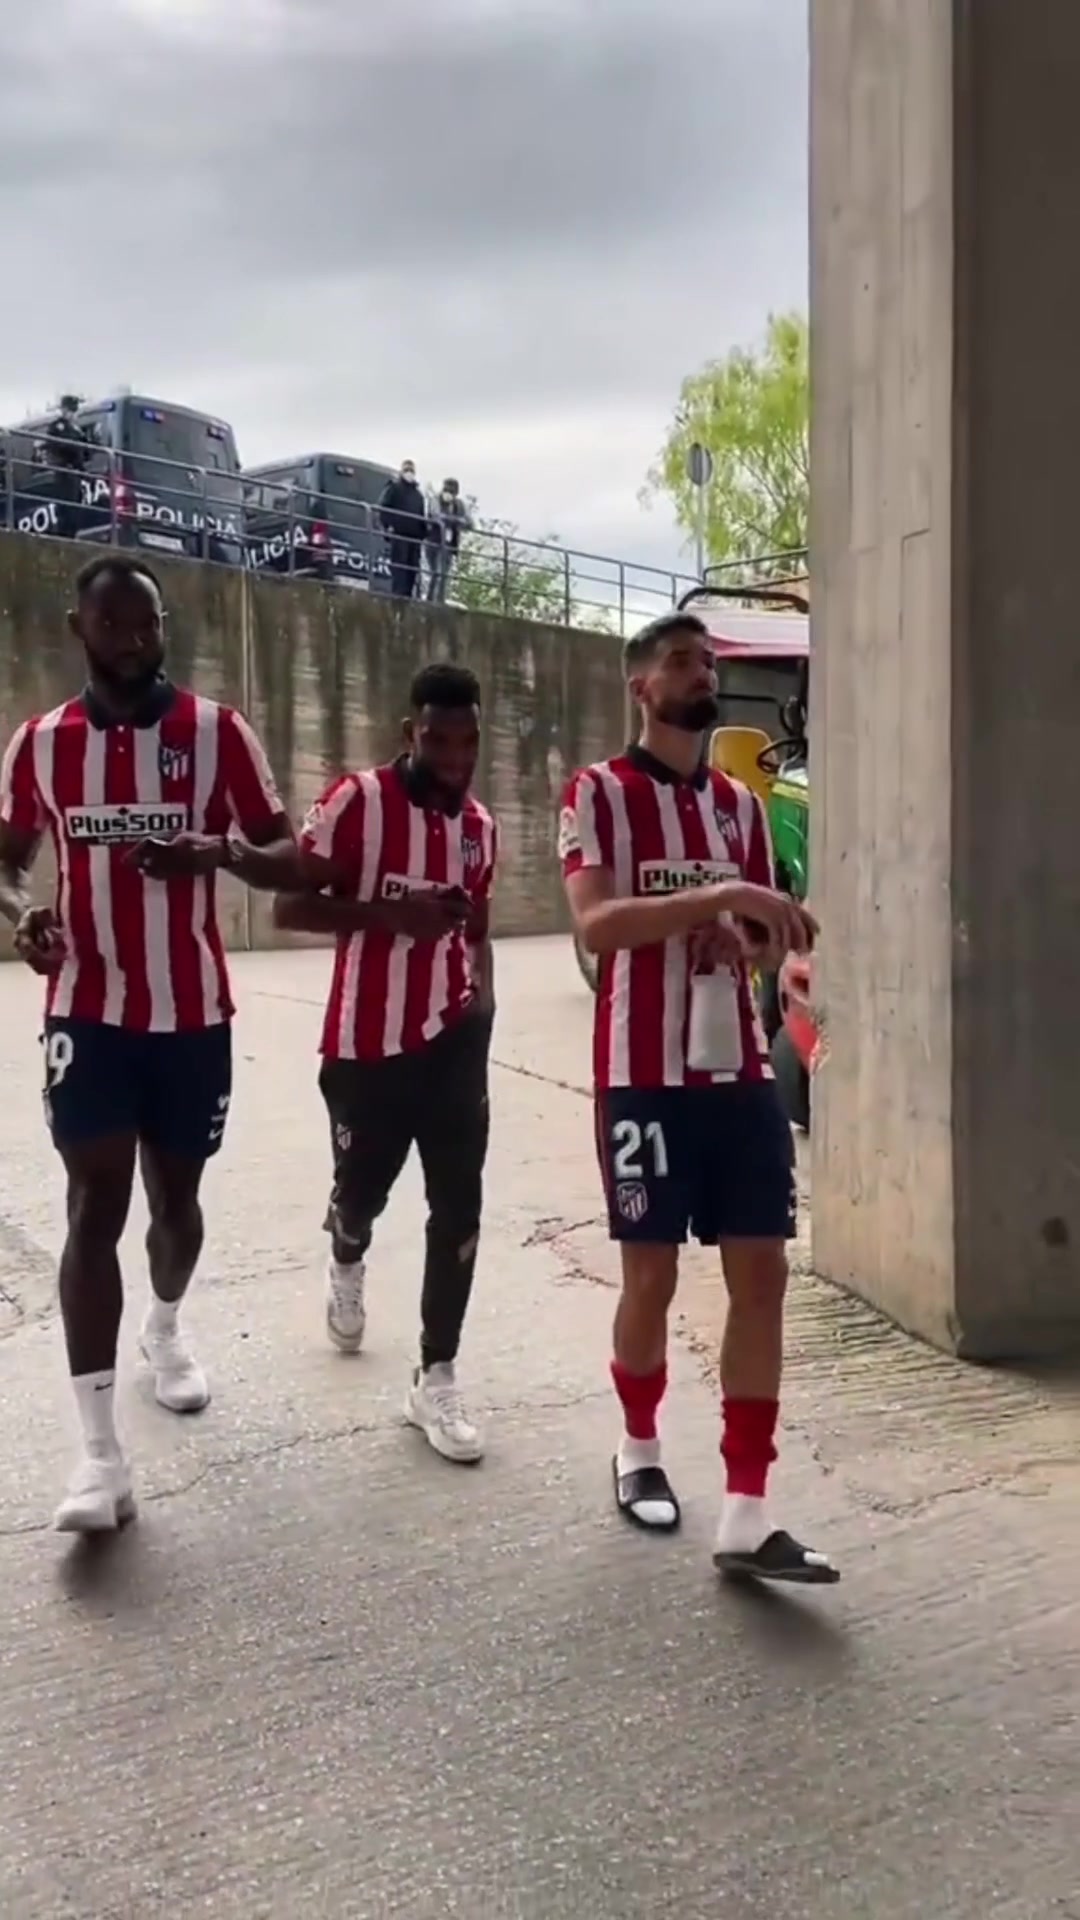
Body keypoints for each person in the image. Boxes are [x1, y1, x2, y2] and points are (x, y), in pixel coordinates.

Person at [0, 553, 304, 1535]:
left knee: (175, 1206)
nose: (135, 641)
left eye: (149, 624)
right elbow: (5, 865)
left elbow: (289, 854)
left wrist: (217, 850)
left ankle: (165, 1326)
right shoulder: (41, 744)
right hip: (86, 1010)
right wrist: (22, 918)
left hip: (191, 1015)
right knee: (94, 1206)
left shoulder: (216, 733)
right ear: (78, 629)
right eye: (114, 625)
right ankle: (98, 1457)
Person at [559, 609, 839, 1584]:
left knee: (763, 1278)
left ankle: (748, 1513)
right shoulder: (597, 792)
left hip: (740, 1076)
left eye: (708, 662)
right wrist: (718, 899)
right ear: (642, 686)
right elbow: (597, 926)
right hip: (642, 1077)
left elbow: (767, 935)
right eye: (683, 662)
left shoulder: (740, 808)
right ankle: (638, 1448)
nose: (702, 674)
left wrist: (750, 935)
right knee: (652, 1279)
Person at [273, 662, 497, 1464]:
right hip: (366, 1047)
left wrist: (483, 1010)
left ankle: (436, 1375)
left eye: (467, 742)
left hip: (453, 1047)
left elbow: (477, 928)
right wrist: (389, 914)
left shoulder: (480, 826)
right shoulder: (357, 803)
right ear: (410, 733)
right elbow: (288, 905)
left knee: (459, 1207)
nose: (454, 757)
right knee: (362, 1194)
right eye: (437, 740)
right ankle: (346, 1247)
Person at [378, 459, 427, 600]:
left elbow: (421, 516)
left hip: (414, 538)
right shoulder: (394, 488)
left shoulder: (418, 495)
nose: (409, 473)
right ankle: (397, 598)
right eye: (407, 470)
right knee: (399, 568)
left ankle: (407, 597)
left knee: (412, 569)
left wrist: (423, 533)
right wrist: (387, 527)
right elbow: (383, 508)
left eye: (411, 471)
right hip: (399, 534)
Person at [424, 478, 471, 604]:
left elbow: (469, 523)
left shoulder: (459, 505)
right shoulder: (435, 499)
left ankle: (439, 601)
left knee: (443, 574)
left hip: (449, 544)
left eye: (452, 492)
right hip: (433, 540)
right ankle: (430, 600)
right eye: (446, 491)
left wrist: (455, 520)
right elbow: (436, 515)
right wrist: (456, 520)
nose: (448, 494)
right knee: (435, 573)